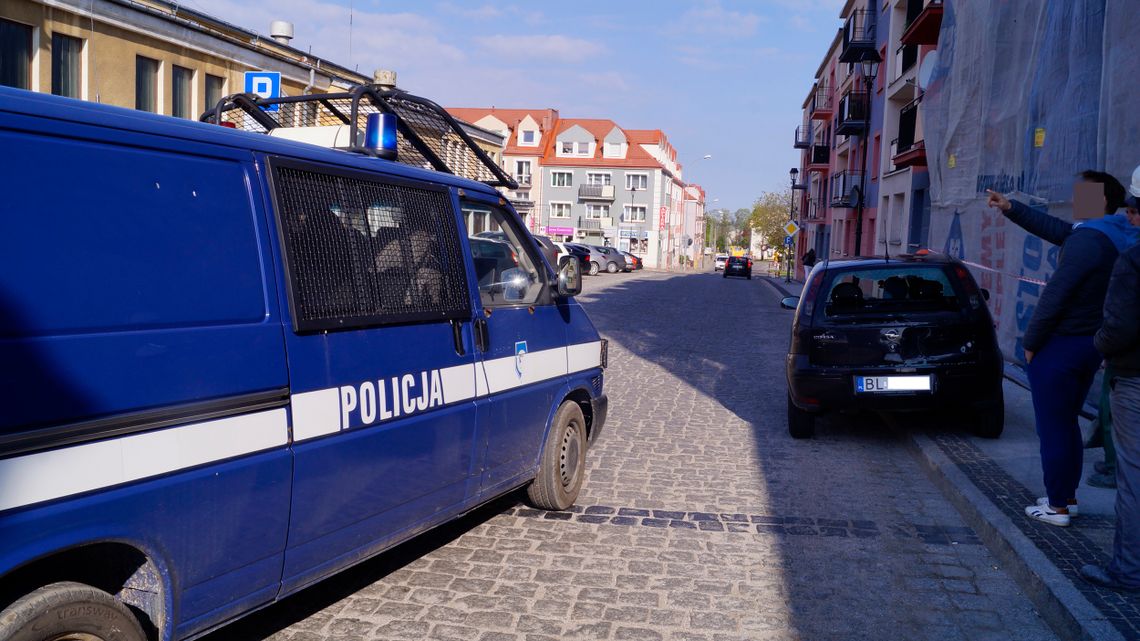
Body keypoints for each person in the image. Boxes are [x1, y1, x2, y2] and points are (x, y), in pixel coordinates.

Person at [986, 170, 1140, 527]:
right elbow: (1056, 230)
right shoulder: (1111, 233)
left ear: (1100, 200)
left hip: (1062, 346)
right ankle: (1064, 498)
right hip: (1088, 345)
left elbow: (1055, 296)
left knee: (1053, 428)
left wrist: (1032, 343)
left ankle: (1056, 506)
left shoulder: (1088, 242)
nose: (1075, 198)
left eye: (1082, 193)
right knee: (1066, 424)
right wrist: (1011, 207)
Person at [1081, 188, 1140, 591]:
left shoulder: (1132, 260)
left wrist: (1099, 345)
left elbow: (1119, 329)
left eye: (1134, 211)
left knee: (1133, 477)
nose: (1130, 219)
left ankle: (1128, 569)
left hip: (1135, 377)